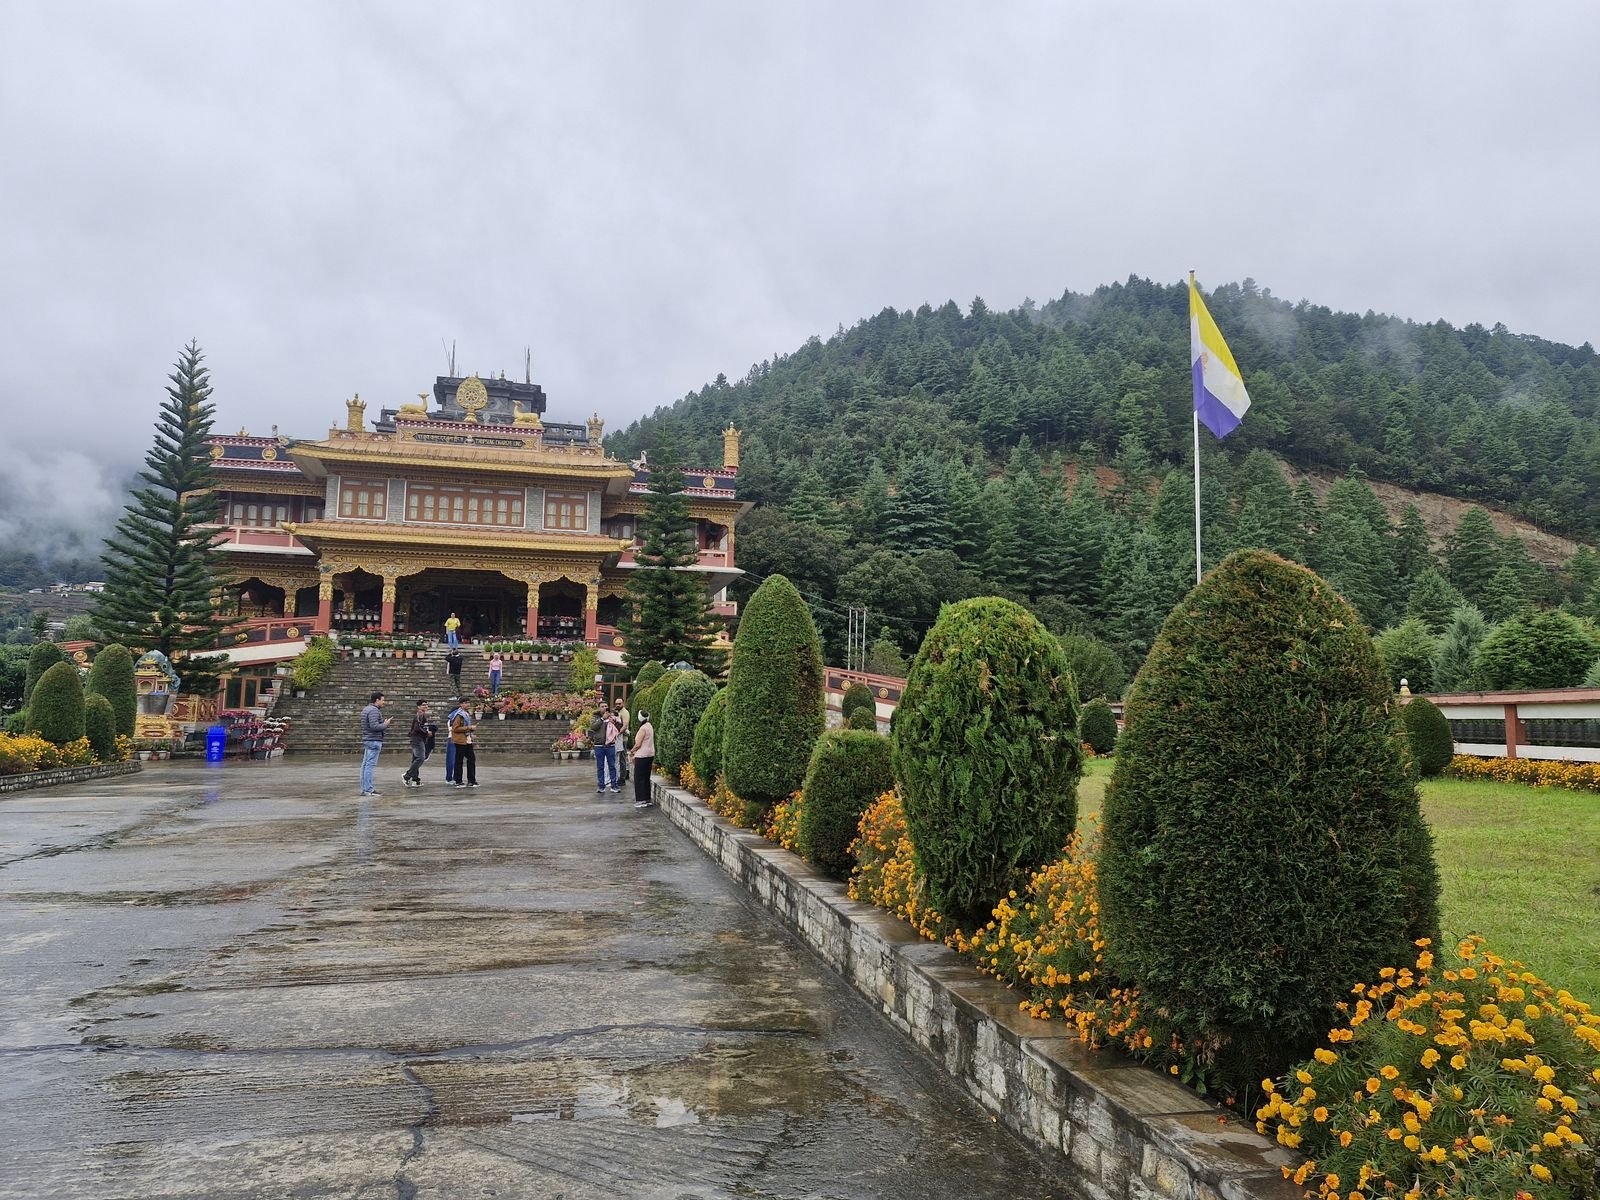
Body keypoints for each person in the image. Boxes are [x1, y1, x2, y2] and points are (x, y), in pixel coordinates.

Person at [359, 691, 390, 796]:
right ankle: (368, 789)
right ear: (377, 700)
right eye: (382, 700)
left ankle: (365, 788)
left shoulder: (366, 709)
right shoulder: (374, 711)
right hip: (373, 740)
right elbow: (374, 726)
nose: (383, 702)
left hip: (368, 739)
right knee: (369, 766)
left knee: (365, 765)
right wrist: (385, 724)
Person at [402, 699, 431, 788]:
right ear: (418, 707)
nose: (425, 706)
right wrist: (426, 733)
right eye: (423, 705)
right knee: (420, 758)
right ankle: (407, 775)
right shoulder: (420, 714)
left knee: (415, 759)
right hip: (417, 739)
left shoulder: (421, 715)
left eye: (426, 705)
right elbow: (417, 728)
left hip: (418, 738)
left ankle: (415, 779)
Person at [591, 706, 620, 794]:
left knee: (612, 765)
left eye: (605, 706)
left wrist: (614, 720)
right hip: (599, 745)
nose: (604, 708)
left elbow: (619, 727)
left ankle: (614, 785)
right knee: (600, 766)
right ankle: (601, 786)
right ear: (599, 708)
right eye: (602, 706)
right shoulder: (595, 717)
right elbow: (593, 727)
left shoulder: (612, 716)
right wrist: (602, 719)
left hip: (610, 745)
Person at [450, 700, 479, 788]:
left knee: (471, 759)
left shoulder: (466, 714)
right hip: (460, 741)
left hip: (467, 740)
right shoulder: (459, 715)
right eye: (465, 703)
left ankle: (471, 780)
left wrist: (470, 733)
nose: (467, 704)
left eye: (468, 702)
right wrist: (469, 728)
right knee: (459, 761)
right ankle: (458, 780)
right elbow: (455, 728)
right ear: (461, 704)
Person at [630, 709, 655, 809]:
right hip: (650, 754)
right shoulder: (650, 726)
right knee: (646, 777)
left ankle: (641, 800)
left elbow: (638, 744)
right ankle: (647, 799)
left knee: (639, 778)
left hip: (642, 756)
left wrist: (631, 751)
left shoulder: (643, 729)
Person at [614, 699, 631, 785]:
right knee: (618, 758)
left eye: (619, 703)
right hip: (618, 739)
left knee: (622, 758)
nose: (617, 705)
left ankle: (623, 778)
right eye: (616, 703)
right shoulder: (617, 712)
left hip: (623, 739)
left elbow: (625, 725)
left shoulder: (625, 713)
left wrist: (618, 733)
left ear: (623, 703)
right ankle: (620, 775)